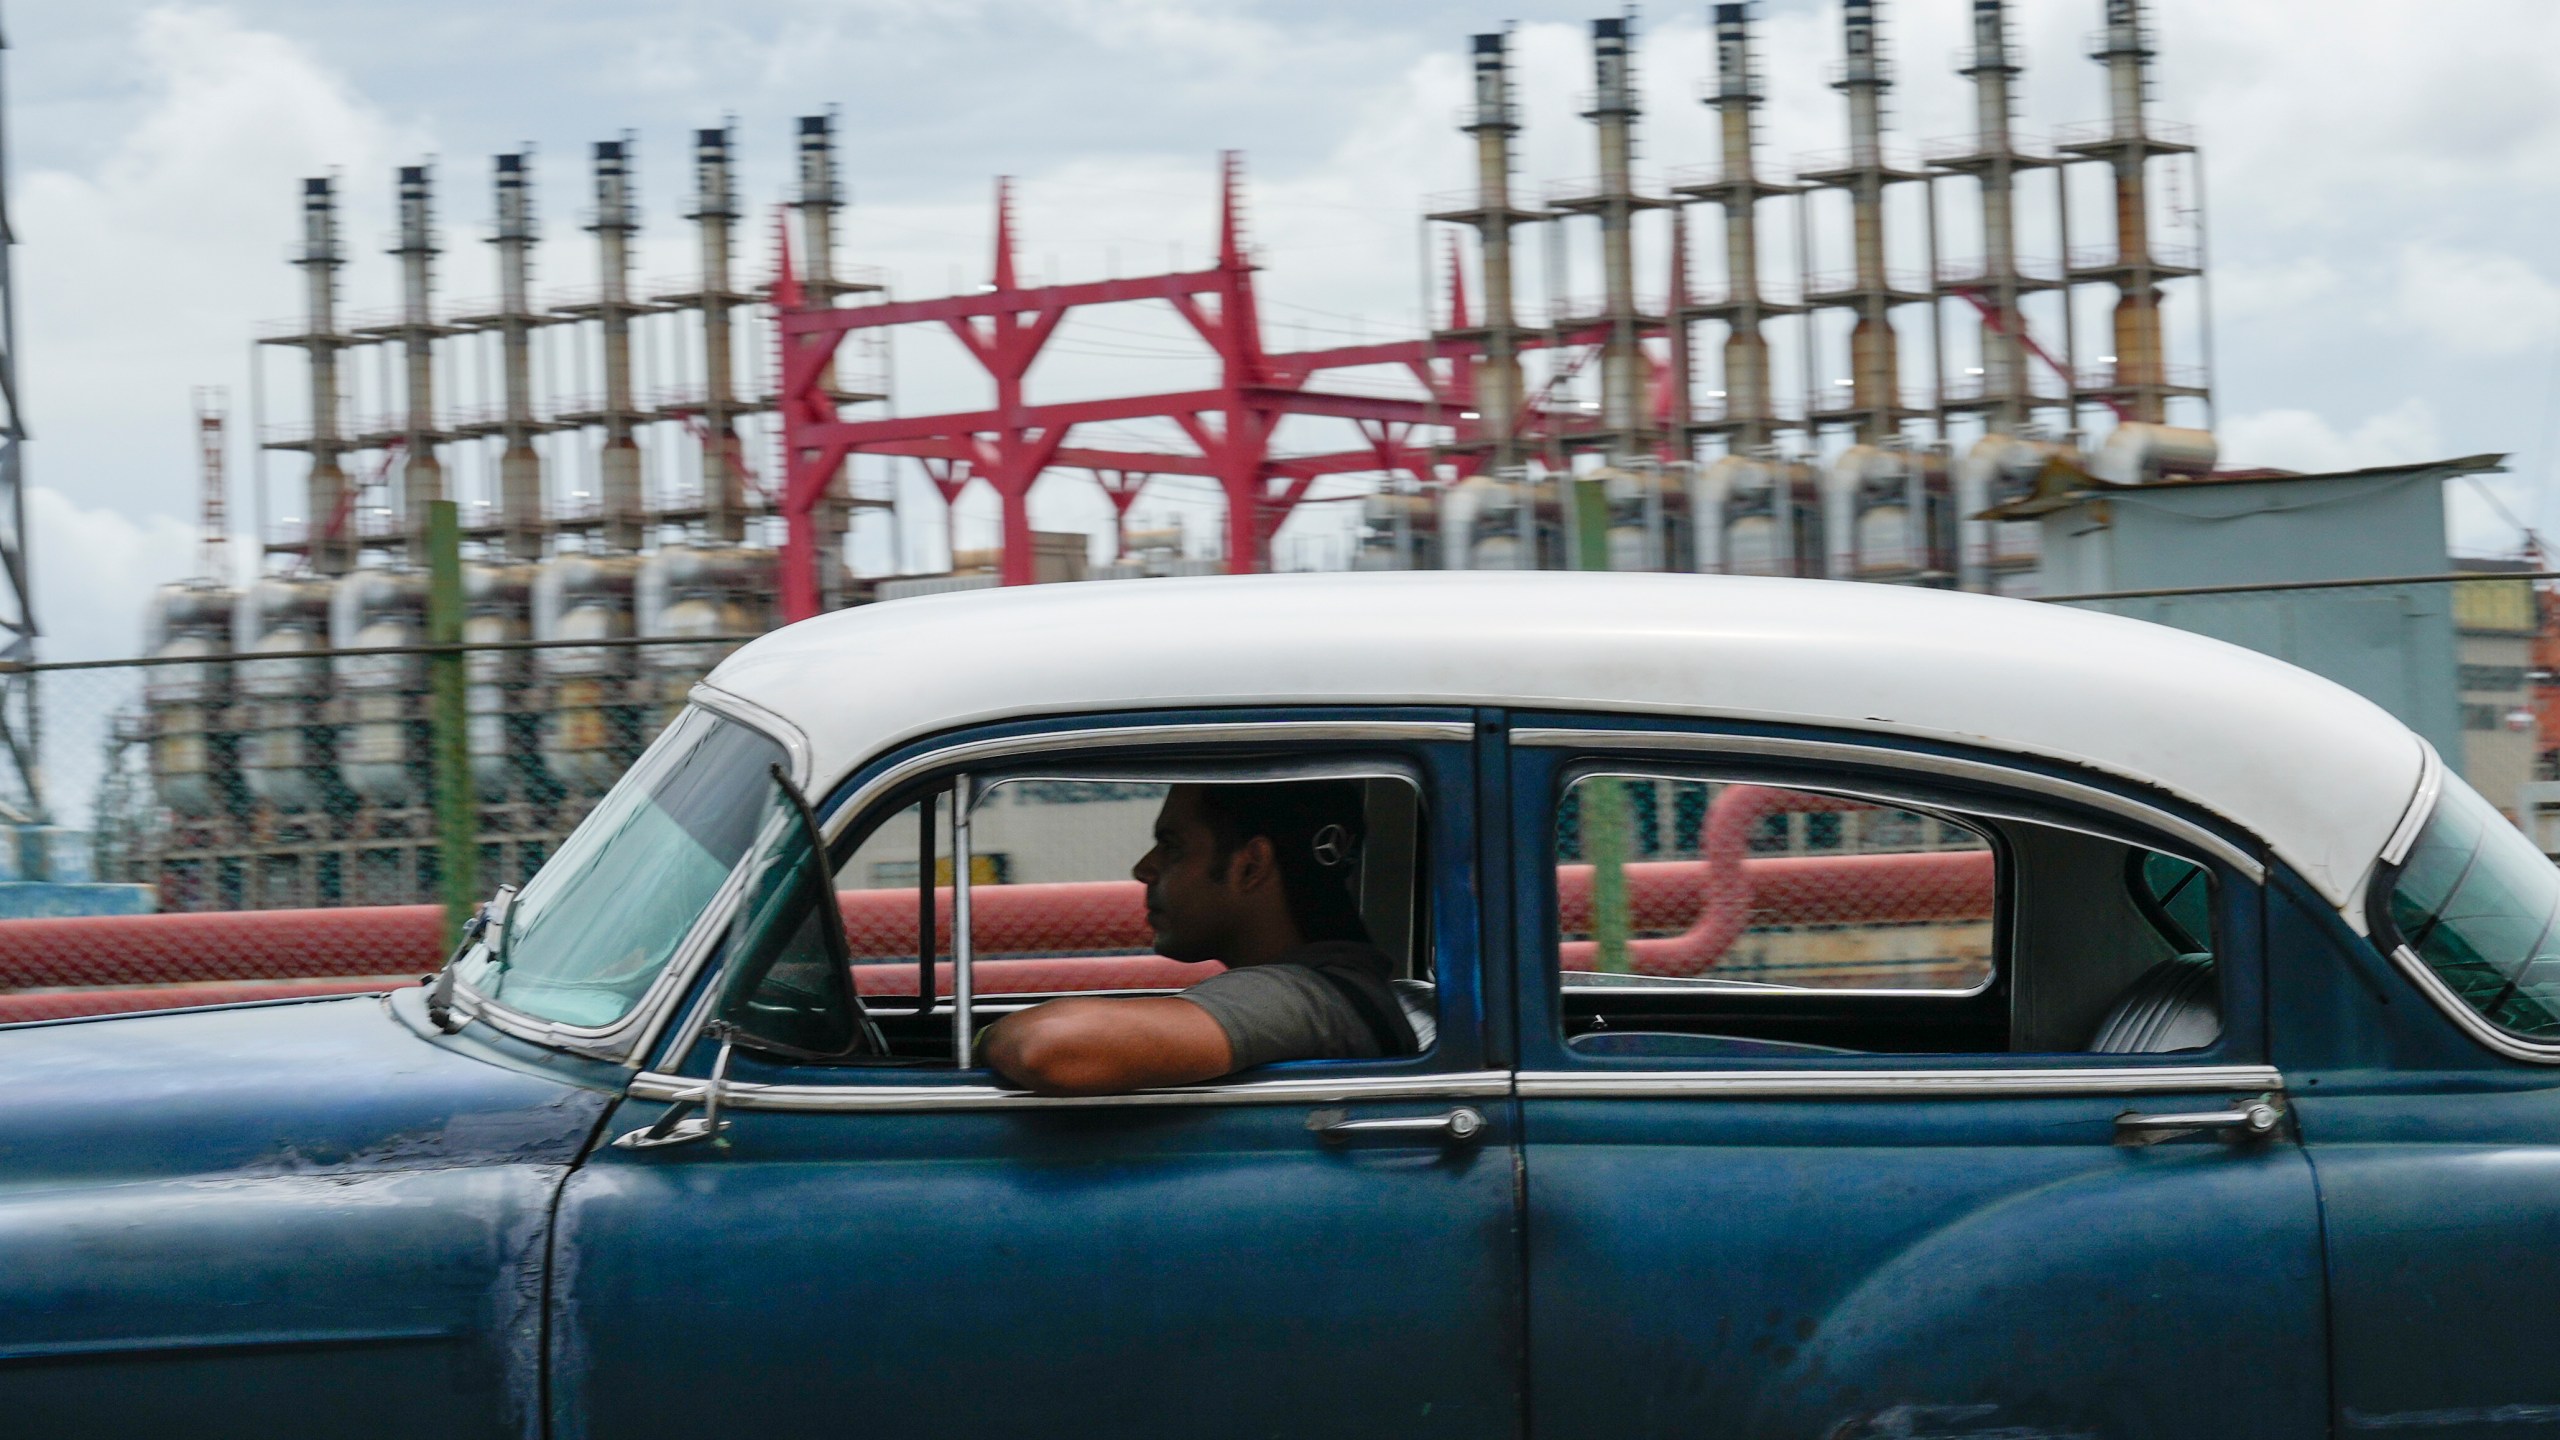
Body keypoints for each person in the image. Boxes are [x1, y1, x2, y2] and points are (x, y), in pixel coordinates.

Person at [983, 780, 1417, 1096]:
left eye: (1172, 847)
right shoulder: (1337, 986)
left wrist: (981, 1040)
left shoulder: (1305, 998)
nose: (1143, 868)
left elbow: (1055, 1046)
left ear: (1250, 865)